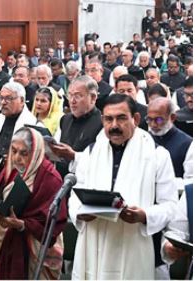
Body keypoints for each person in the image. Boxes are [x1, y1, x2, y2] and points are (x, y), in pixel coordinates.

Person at [70, 94, 178, 280]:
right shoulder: (90, 153)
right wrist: (80, 213)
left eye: (121, 118)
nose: (114, 126)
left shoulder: (157, 155)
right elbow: (75, 196)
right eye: (109, 119)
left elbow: (170, 205)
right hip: (94, 242)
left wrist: (145, 215)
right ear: (102, 120)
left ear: (135, 119)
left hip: (133, 243)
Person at [0, 127, 67, 279]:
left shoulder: (50, 178)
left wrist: (21, 224)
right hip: (6, 243)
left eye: (23, 153)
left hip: (35, 250)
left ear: (35, 153)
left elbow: (52, 222)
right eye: (13, 151)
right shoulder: (10, 169)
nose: (16, 158)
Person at [51, 76, 105, 176]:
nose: (72, 101)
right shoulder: (65, 119)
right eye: (70, 95)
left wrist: (73, 156)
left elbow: (101, 160)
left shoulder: (103, 123)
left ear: (93, 97)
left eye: (78, 96)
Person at [0, 82, 38, 181]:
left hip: (18, 177)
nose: (3, 102)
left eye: (8, 98)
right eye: (1, 98)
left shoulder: (33, 124)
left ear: (21, 100)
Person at [147, 98, 193, 179]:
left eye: (158, 120)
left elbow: (190, 181)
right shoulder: (143, 140)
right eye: (149, 119)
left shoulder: (188, 144)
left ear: (172, 118)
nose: (153, 125)